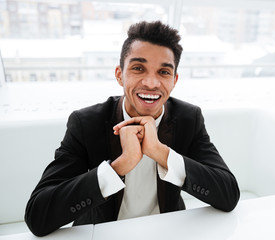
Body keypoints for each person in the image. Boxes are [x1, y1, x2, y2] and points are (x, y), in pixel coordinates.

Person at [25, 21, 240, 237]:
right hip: (104, 232)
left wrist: (161, 153)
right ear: (119, 74)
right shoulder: (86, 123)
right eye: (138, 68)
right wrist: (118, 167)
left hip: (168, 231)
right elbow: (38, 215)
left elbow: (228, 194)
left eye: (163, 72)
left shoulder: (189, 118)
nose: (151, 83)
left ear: (174, 80)